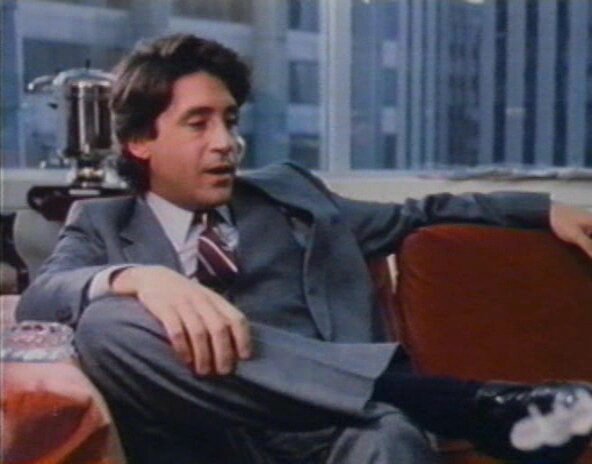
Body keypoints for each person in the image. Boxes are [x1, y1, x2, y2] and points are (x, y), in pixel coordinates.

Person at [17, 34, 592, 464]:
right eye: (198, 123)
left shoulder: (291, 198)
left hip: (333, 433)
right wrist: (141, 278)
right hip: (204, 441)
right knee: (106, 324)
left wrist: (541, 209)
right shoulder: (102, 222)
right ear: (140, 141)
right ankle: (455, 403)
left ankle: (411, 402)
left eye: (230, 121)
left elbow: (421, 213)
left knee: (391, 434)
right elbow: (41, 300)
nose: (226, 143)